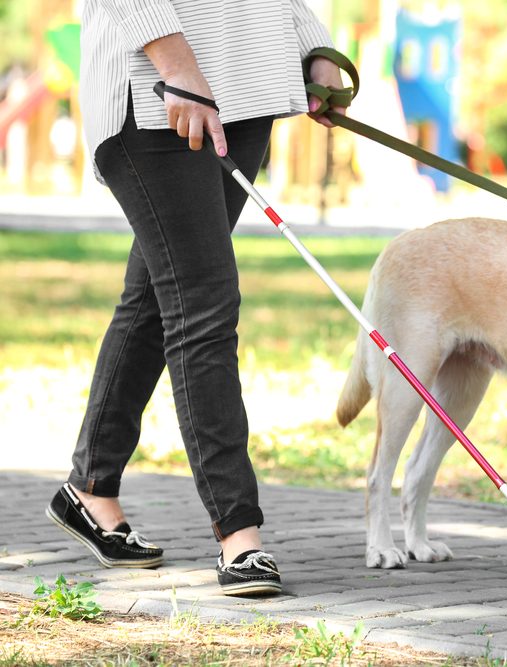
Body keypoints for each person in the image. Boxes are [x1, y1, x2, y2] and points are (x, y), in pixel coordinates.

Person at [45, 0, 346, 596]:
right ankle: (239, 534)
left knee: (159, 299)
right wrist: (175, 65)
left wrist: (311, 44)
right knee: (205, 304)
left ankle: (90, 487)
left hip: (249, 82)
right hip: (157, 90)